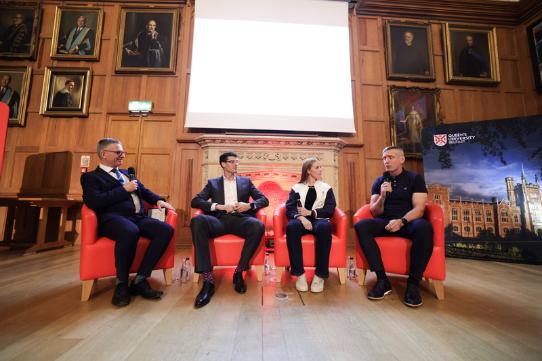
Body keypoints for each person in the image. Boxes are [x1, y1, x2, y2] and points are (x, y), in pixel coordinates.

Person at [81, 138, 175, 307]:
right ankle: (122, 284)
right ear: (104, 154)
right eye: (118, 152)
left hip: (137, 218)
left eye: (123, 152)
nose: (122, 155)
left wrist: (159, 200)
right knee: (129, 231)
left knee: (165, 230)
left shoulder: (126, 173)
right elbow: (94, 202)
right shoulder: (91, 178)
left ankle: (140, 279)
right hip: (113, 219)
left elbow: (144, 191)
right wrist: (124, 189)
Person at [354, 146, 433, 308]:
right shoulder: (380, 181)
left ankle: (413, 284)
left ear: (402, 159)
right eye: (384, 158)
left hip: (408, 221)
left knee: (424, 227)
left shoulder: (414, 178)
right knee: (362, 225)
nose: (386, 161)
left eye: (390, 157)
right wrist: (382, 196)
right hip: (385, 221)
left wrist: (401, 221)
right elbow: (375, 212)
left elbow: (419, 209)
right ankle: (382, 280)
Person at [190, 151, 268, 308]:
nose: (236, 164)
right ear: (223, 164)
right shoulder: (213, 183)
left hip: (240, 219)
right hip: (219, 219)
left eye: (237, 162)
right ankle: (208, 280)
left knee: (258, 225)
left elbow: (264, 199)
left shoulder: (246, 182)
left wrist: (249, 206)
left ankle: (239, 272)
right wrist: (218, 206)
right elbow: (195, 201)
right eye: (232, 162)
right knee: (197, 220)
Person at [285, 157, 336, 293]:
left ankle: (320, 275)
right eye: (317, 167)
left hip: (319, 219)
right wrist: (302, 217)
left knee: (325, 227)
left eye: (321, 167)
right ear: (308, 170)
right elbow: (290, 208)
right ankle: (299, 274)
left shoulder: (326, 188)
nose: (321, 169)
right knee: (292, 227)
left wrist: (311, 213)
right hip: (301, 220)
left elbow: (330, 209)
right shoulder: (296, 188)